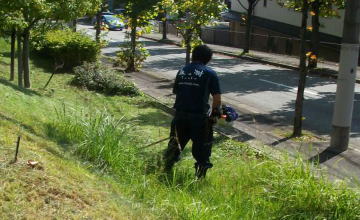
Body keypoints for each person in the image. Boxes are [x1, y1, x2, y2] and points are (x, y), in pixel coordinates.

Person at [163, 44, 221, 178]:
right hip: (199, 119)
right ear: (208, 59)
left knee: (175, 145)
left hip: (179, 116)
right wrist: (214, 115)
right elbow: (217, 99)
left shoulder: (182, 70)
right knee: (202, 150)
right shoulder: (209, 73)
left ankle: (165, 170)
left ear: (193, 55)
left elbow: (177, 91)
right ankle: (199, 177)